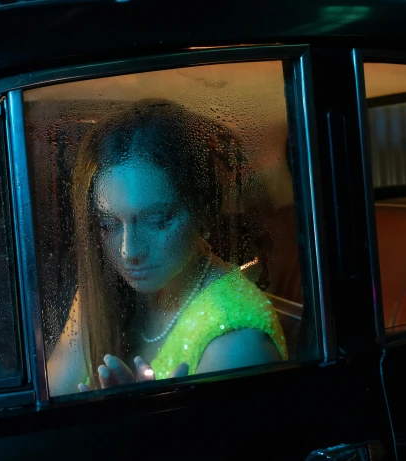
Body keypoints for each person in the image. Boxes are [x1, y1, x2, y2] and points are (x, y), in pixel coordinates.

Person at [47, 100, 287, 396]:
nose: (128, 251)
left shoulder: (237, 343)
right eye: (109, 224)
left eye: (157, 221)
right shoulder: (104, 289)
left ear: (202, 213)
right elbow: (51, 400)